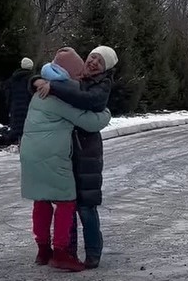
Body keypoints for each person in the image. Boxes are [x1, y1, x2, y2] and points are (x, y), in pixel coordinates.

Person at [20, 47, 111, 272]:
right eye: (78, 70)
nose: (87, 68)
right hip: (53, 155)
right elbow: (91, 122)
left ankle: (43, 251)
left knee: (41, 199)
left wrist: (36, 81)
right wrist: (107, 114)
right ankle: (61, 252)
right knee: (66, 202)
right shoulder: (57, 94)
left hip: (31, 153)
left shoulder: (42, 90)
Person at [6, 57, 35, 144]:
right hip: (28, 106)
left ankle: (17, 142)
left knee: (17, 126)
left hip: (15, 106)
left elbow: (8, 94)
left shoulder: (13, 79)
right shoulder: (32, 79)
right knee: (27, 127)